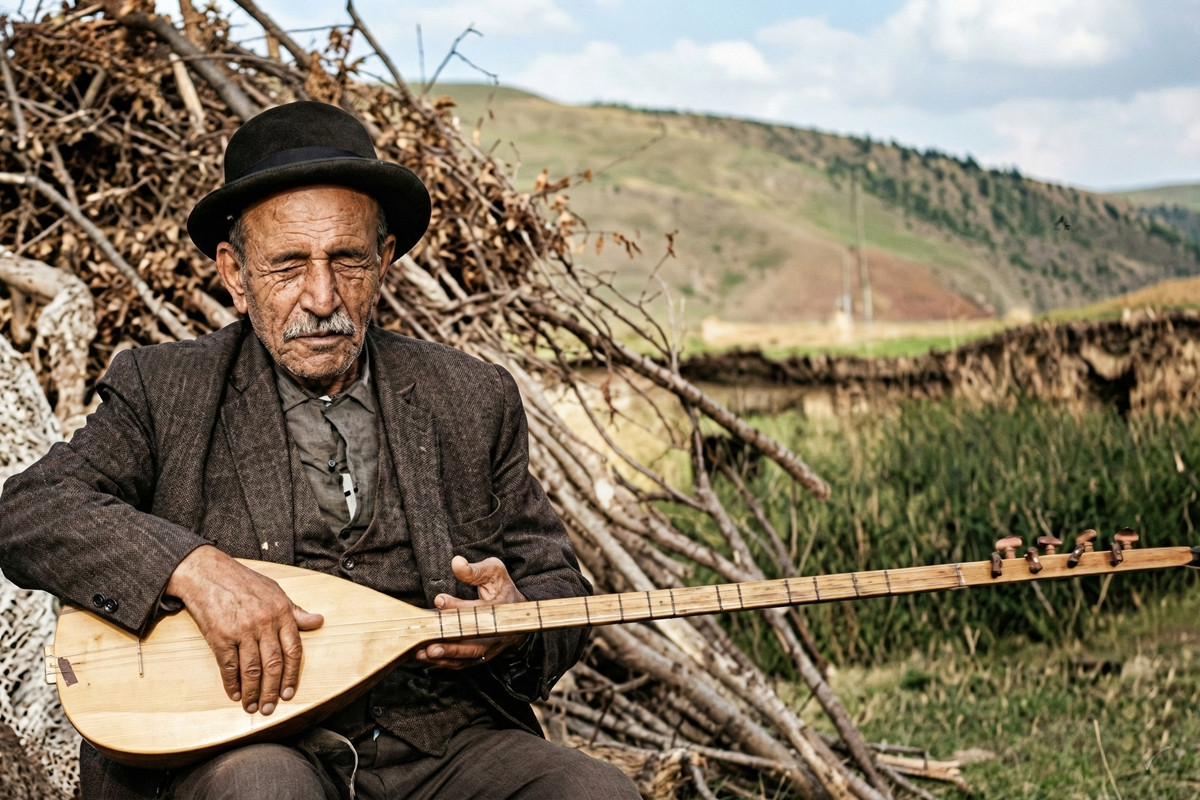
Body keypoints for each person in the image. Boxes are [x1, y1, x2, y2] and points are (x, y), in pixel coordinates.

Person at [0, 101, 640, 800]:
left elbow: (556, 586)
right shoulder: (165, 389)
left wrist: (513, 625)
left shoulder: (471, 397)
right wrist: (193, 568)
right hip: (242, 739)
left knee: (593, 791)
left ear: (385, 260)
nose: (322, 296)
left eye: (347, 259)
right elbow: (30, 511)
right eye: (287, 266)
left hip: (446, 746)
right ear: (236, 276)